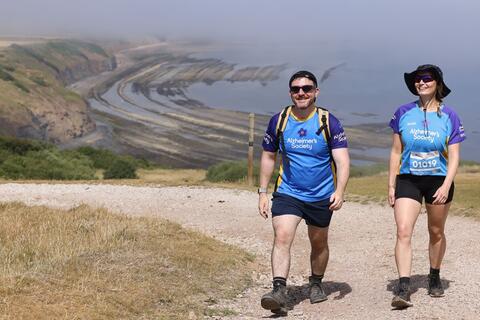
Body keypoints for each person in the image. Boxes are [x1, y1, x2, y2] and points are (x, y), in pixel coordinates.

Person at [258, 70, 350, 315]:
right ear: (290, 93)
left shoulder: (328, 121)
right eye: (296, 89)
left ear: (316, 92)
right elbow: (268, 156)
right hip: (288, 192)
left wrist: (339, 191)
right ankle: (278, 290)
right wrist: (263, 192)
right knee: (282, 236)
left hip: (321, 195)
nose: (301, 93)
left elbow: (342, 161)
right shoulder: (279, 120)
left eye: (307, 88)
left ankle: (316, 282)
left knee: (318, 242)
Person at [388, 64, 466, 308]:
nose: (421, 83)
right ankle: (403, 286)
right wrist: (391, 185)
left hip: (438, 180)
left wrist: (446, 185)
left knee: (436, 232)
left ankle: (434, 275)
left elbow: (454, 156)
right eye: (417, 79)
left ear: (437, 84)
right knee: (403, 230)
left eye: (427, 79)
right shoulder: (402, 112)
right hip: (408, 178)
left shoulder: (449, 115)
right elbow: (395, 151)